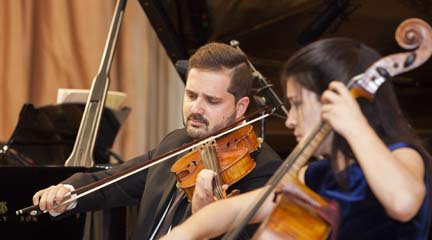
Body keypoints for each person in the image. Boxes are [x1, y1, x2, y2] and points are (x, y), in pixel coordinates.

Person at [162, 38, 431, 240]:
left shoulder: (403, 156)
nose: (290, 120)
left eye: (297, 104)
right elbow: (230, 211)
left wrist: (354, 124)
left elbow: (403, 202)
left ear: (337, 105)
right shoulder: (318, 177)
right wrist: (180, 235)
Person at [31, 42, 282, 239]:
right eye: (191, 95)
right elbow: (116, 182)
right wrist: (68, 193)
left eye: (212, 101)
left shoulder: (263, 169)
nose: (196, 108)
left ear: (241, 107)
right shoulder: (176, 143)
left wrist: (206, 218)